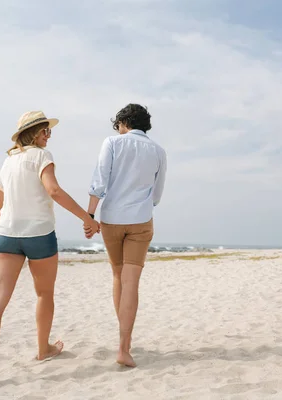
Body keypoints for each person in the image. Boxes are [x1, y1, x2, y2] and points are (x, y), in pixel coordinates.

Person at [0, 111, 99, 391]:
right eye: (44, 130)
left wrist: (11, 230)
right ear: (31, 133)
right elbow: (53, 191)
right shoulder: (43, 156)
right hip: (40, 236)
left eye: (49, 131)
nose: (48, 135)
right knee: (44, 294)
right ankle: (43, 349)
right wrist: (86, 218)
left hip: (6, 237)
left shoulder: (8, 162)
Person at [84, 104, 167, 367]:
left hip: (112, 219)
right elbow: (157, 193)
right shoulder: (158, 151)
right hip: (141, 220)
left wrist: (89, 216)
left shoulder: (112, 143)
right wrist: (142, 204)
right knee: (131, 283)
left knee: (118, 276)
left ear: (123, 122)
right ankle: (124, 347)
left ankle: (124, 343)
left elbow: (99, 180)